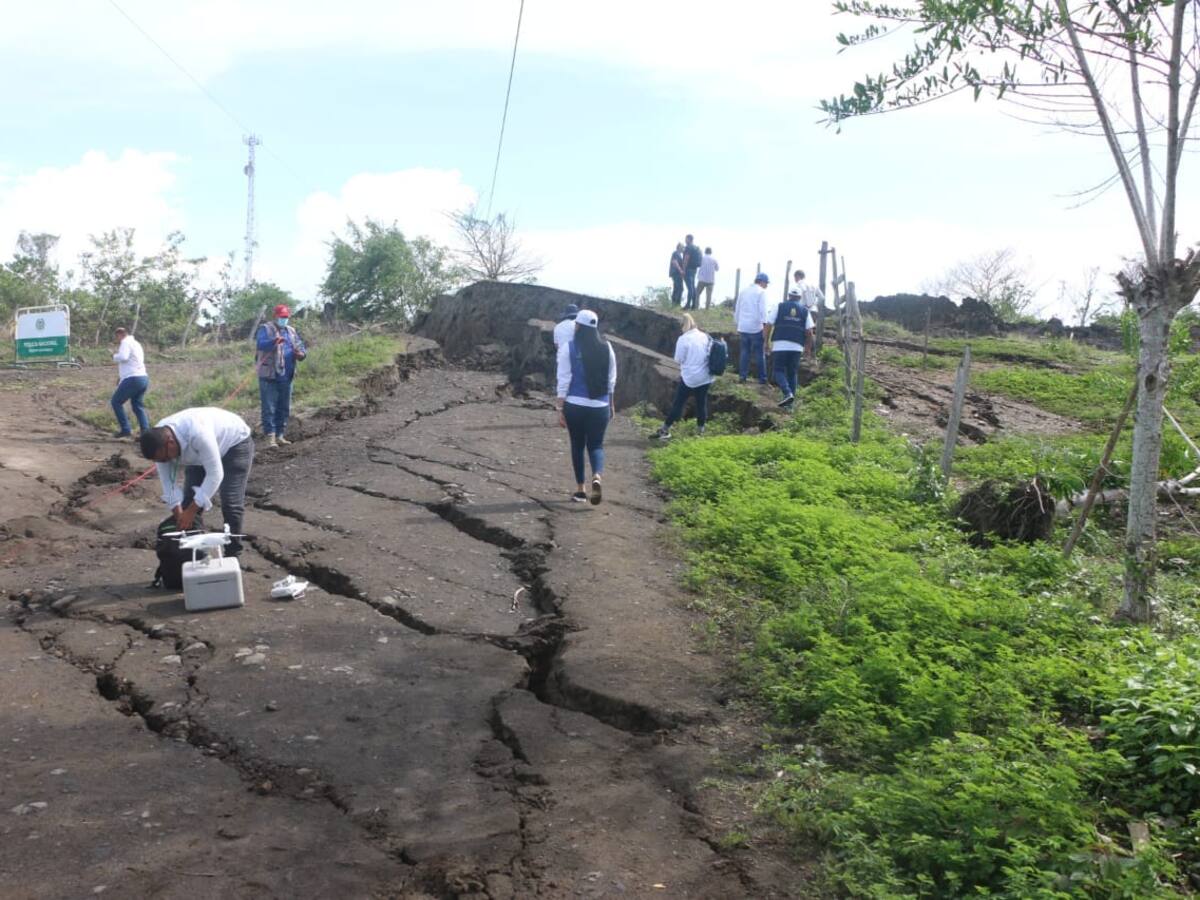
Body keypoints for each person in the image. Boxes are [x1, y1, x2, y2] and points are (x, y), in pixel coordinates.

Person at [139, 408, 255, 557]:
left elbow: (215, 475)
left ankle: (233, 554)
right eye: (160, 461)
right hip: (197, 453)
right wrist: (179, 513)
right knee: (188, 504)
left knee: (230, 503)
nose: (165, 462)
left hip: (234, 443)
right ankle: (193, 553)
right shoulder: (159, 444)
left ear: (171, 442)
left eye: (166, 458)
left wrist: (191, 511)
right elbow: (168, 483)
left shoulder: (197, 433)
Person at [555, 309, 617, 505]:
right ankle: (597, 476)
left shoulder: (569, 348)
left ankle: (581, 490)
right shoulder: (607, 348)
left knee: (577, 445)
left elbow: (563, 379)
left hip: (575, 405)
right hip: (600, 405)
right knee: (596, 445)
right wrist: (611, 404)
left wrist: (560, 408)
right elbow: (611, 380)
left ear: (578, 326)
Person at [255, 304, 307, 447]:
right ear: (275, 316)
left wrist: (301, 354)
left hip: (287, 375)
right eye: (281, 317)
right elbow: (260, 344)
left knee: (284, 407)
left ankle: (280, 435)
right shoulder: (265, 329)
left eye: (286, 317)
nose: (284, 319)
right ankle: (270, 437)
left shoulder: (291, 331)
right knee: (269, 407)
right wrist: (274, 341)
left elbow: (301, 347)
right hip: (269, 375)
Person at [655, 314, 714, 439]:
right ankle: (700, 432)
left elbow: (678, 359)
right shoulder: (704, 336)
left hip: (689, 378)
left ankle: (665, 429)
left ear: (683, 325)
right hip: (705, 377)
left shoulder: (683, 339)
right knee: (701, 403)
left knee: (678, 403)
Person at [771, 289, 812, 408]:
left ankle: (787, 393)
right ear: (800, 297)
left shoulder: (779, 306)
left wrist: (765, 342)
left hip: (780, 344)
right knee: (792, 373)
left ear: (789, 296)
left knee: (778, 370)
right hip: (797, 346)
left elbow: (768, 324)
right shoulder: (805, 311)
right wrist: (808, 348)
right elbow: (809, 332)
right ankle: (790, 406)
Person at [110, 326, 149, 439]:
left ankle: (126, 429)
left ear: (120, 334)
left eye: (116, 337)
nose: (116, 340)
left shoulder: (125, 342)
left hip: (133, 378)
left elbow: (124, 357)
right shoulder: (136, 343)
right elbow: (133, 362)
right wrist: (121, 377)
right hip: (143, 377)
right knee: (137, 405)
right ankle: (145, 432)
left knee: (116, 402)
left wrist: (113, 356)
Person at [734, 273, 771, 384]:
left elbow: (737, 308)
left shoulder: (743, 291)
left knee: (745, 352)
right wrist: (765, 326)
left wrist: (738, 323)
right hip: (755, 327)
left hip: (743, 326)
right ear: (762, 282)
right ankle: (762, 379)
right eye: (766, 283)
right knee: (759, 353)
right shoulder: (761, 292)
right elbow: (763, 311)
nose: (767, 286)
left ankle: (742, 377)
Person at [793, 270, 825, 358]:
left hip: (804, 310)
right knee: (810, 332)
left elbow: (802, 293)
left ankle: (804, 353)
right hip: (814, 311)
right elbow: (822, 297)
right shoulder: (814, 284)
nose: (795, 280)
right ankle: (812, 354)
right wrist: (814, 305)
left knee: (801, 331)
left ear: (797, 276)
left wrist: (808, 304)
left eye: (795, 278)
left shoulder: (799, 284)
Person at [683, 234, 703, 309]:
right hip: (694, 269)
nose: (685, 240)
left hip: (688, 269)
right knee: (692, 287)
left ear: (689, 239)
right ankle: (694, 305)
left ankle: (688, 305)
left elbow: (686, 259)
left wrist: (683, 270)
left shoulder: (689, 247)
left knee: (690, 288)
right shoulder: (696, 248)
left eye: (686, 239)